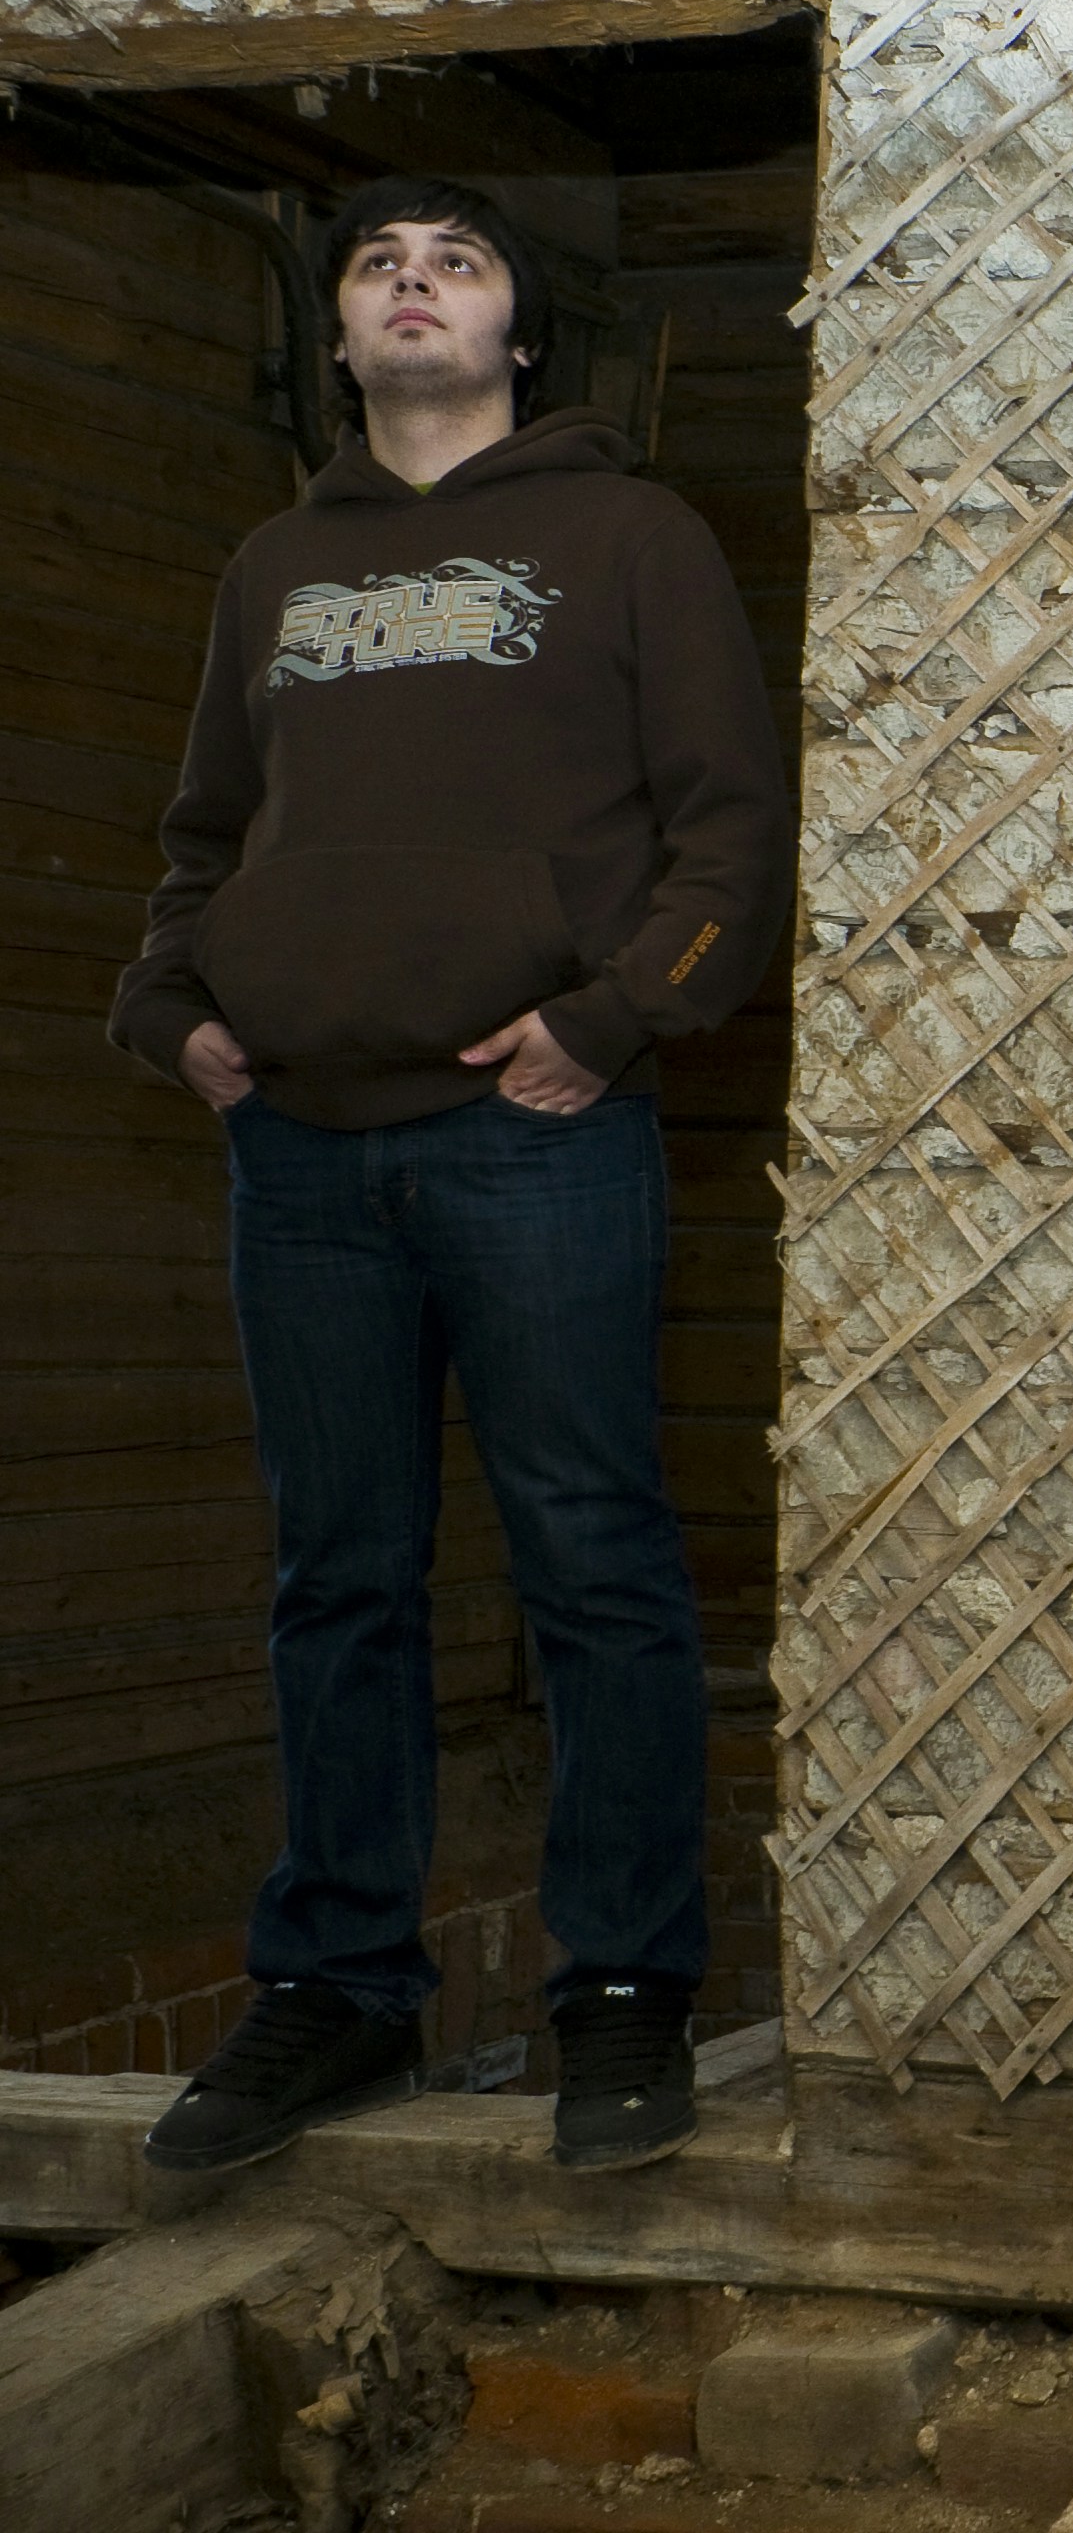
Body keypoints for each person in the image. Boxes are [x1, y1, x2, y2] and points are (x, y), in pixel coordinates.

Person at [108, 177, 789, 2174]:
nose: (415, 284)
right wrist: (174, 1012)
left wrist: (618, 1012)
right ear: (339, 338)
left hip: (535, 1127)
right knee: (338, 1583)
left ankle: (623, 1994)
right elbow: (203, 833)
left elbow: (727, 829)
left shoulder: (625, 532)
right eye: (380, 267)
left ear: (516, 336)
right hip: (299, 1151)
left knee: (592, 1553)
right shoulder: (273, 571)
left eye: (459, 263)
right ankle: (336, 1993)